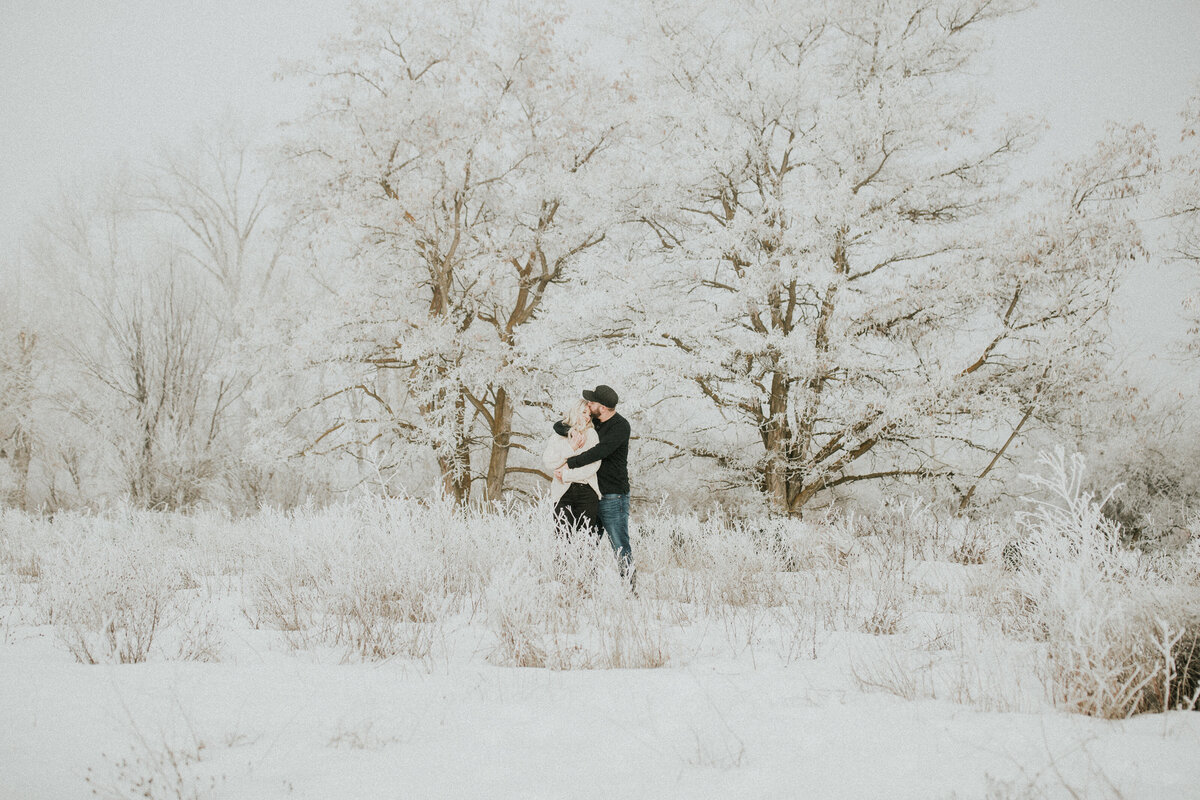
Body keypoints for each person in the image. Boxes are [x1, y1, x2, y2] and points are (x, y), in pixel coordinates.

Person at [553, 384, 633, 583]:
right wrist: (568, 433)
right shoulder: (595, 422)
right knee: (587, 544)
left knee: (620, 544)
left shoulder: (620, 426)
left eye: (592, 402)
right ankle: (587, 585)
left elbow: (599, 452)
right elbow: (562, 425)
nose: (589, 405)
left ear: (603, 407)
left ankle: (629, 587)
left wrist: (568, 463)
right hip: (593, 494)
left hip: (614, 496)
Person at [542, 400, 603, 542]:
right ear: (574, 412)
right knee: (562, 539)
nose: (587, 417)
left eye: (589, 414)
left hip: (586, 491)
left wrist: (567, 475)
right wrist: (571, 448)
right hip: (562, 492)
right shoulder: (558, 436)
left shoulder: (591, 434)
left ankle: (584, 565)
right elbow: (549, 462)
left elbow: (593, 465)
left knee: (586, 540)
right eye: (583, 412)